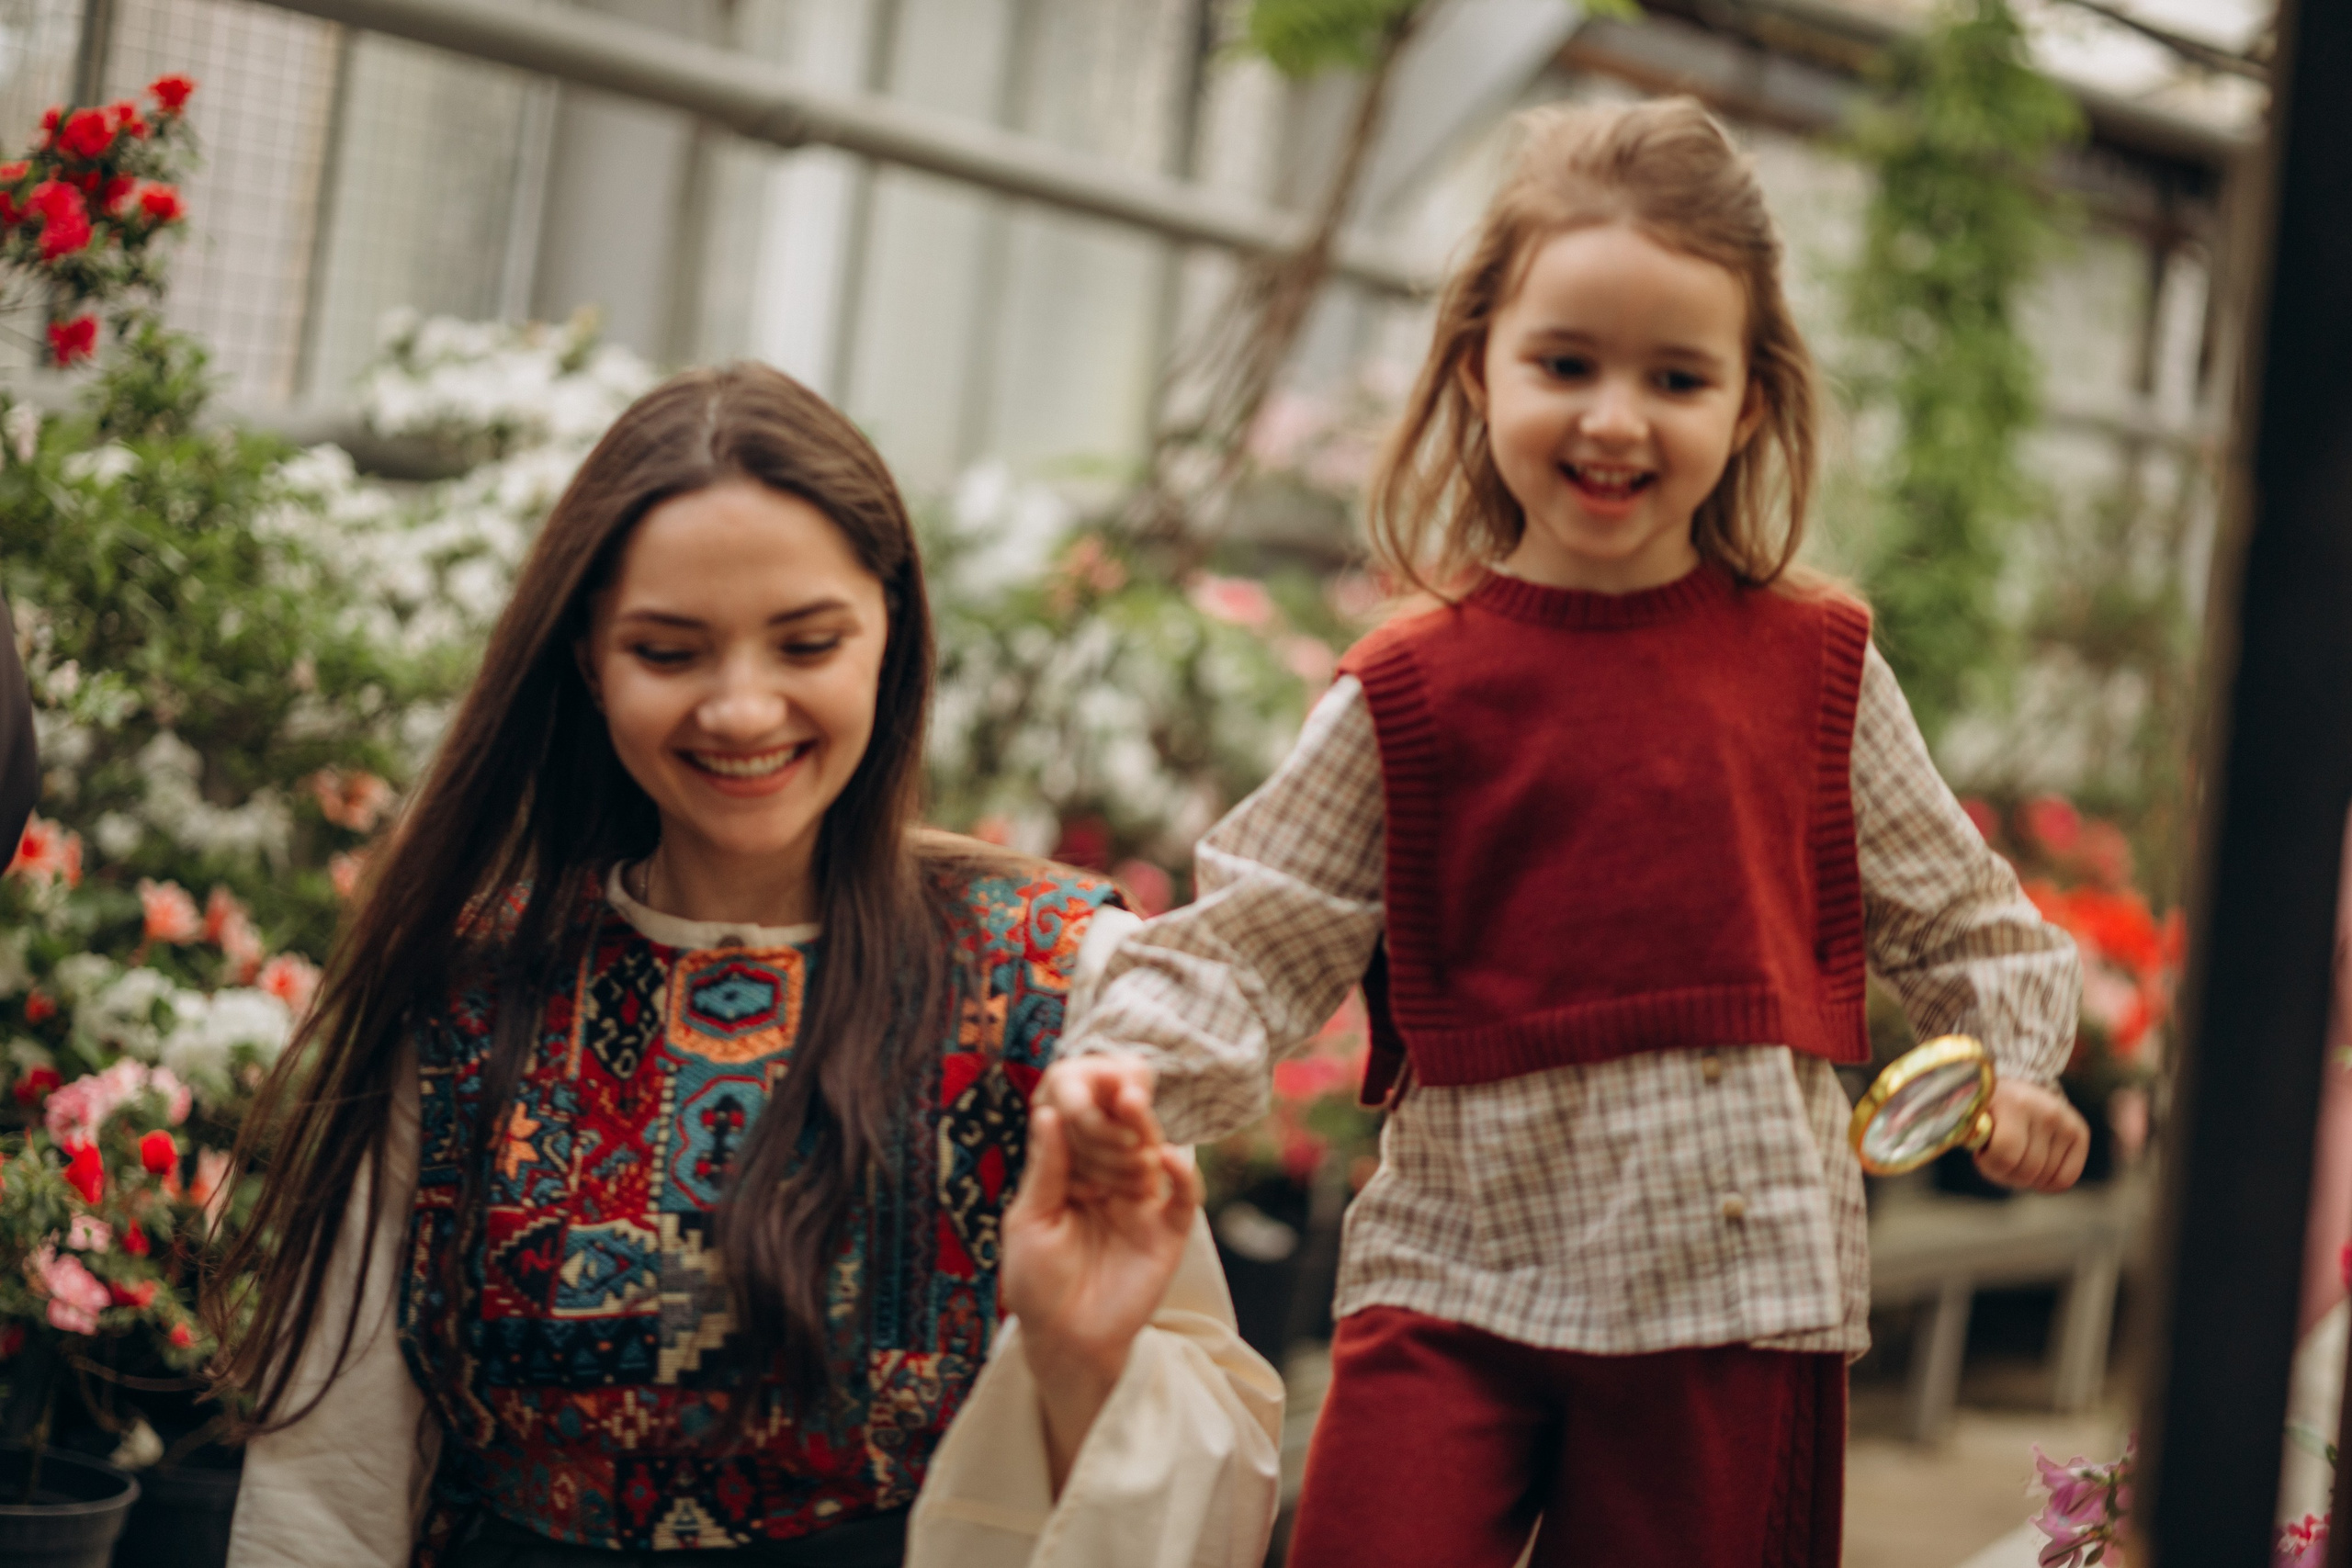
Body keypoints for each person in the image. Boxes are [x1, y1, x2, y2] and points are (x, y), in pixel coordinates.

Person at [1048, 97, 2089, 1568]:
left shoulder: (1816, 667)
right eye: (1566, 363)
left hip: (1733, 1298)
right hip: (1457, 1282)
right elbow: (1254, 933)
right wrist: (1120, 1078)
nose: (1614, 417)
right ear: (1480, 369)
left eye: (1675, 376)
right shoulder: (1413, 688)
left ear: (1747, 404)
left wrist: (2020, 1068)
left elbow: (1961, 917)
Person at [214, 364, 1281, 1567]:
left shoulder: (1053, 978)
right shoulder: (469, 991)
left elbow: (1209, 1475)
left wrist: (1084, 1359)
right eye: (670, 652)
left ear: (891, 630)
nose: (740, 709)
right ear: (586, 658)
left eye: (807, 642)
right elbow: (332, 1476)